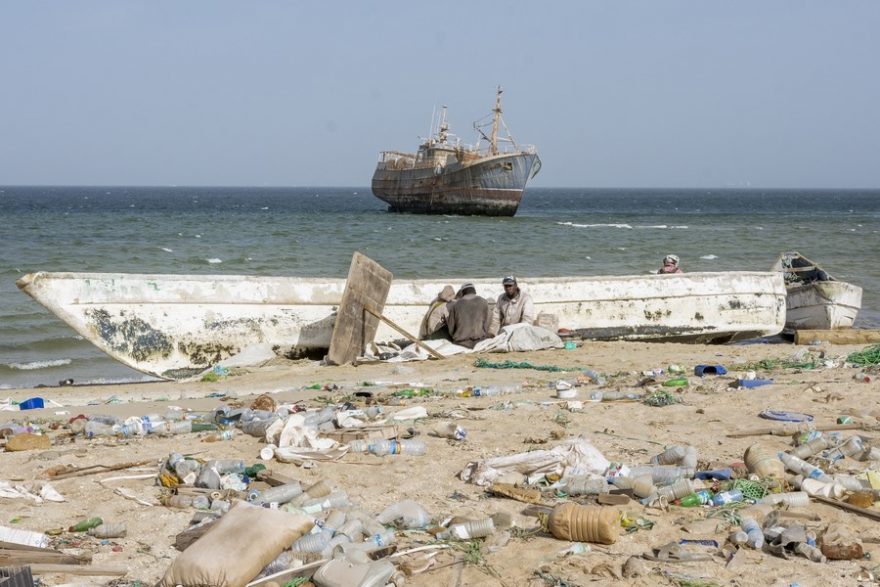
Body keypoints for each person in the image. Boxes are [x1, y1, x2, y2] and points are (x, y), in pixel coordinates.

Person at [446, 282, 490, 349]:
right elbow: (487, 324)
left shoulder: (456, 305)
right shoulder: (484, 302)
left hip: (461, 343)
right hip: (480, 342)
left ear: (463, 292)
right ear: (474, 291)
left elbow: (450, 328)